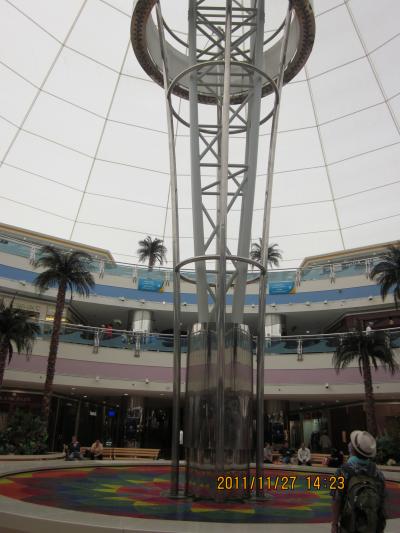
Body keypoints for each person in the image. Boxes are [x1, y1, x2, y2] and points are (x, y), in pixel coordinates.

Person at [331, 430, 386, 533]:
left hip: (349, 525)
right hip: (372, 526)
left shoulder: (341, 471)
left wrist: (334, 524)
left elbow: (336, 499)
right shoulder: (378, 473)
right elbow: (382, 501)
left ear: (353, 449)